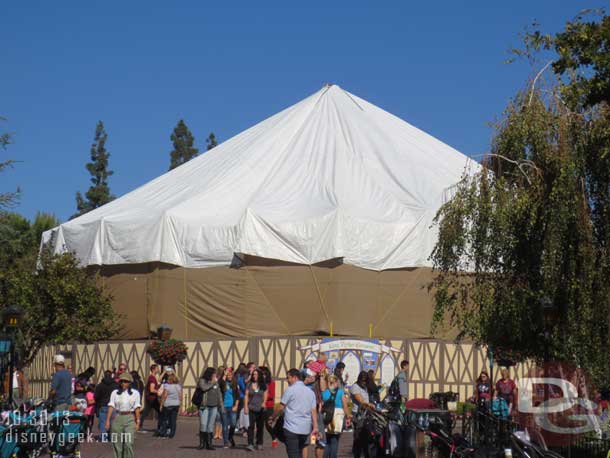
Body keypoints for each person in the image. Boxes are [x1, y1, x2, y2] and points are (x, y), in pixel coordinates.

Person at [269, 368, 318, 458]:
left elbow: (280, 407)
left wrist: (272, 417)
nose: (287, 380)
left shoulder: (290, 390)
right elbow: (313, 410)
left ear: (295, 378)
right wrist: (315, 427)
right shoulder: (310, 392)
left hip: (291, 428)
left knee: (293, 454)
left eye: (288, 378)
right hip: (305, 428)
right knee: (299, 452)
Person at [106, 371, 141, 458]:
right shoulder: (115, 393)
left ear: (129, 382)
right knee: (117, 444)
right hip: (118, 417)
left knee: (128, 443)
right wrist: (107, 421)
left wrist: (138, 421)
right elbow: (111, 406)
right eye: (121, 381)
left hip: (129, 418)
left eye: (125, 381)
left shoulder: (135, 393)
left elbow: (137, 408)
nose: (123, 383)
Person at [322, 375, 351, 458]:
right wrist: (348, 416)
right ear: (334, 382)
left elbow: (322, 405)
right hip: (337, 417)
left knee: (327, 440)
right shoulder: (340, 392)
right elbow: (345, 406)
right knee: (335, 440)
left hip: (327, 417)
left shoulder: (324, 393)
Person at [350, 371, 376, 458]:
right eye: (363, 381)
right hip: (358, 414)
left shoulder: (365, 387)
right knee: (358, 436)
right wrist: (369, 405)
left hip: (366, 414)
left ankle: (365, 454)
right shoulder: (355, 386)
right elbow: (360, 400)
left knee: (365, 436)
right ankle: (356, 454)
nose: (364, 382)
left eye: (366, 381)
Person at [197, 367, 224, 450]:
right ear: (210, 374)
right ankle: (202, 444)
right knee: (203, 425)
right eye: (214, 373)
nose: (215, 375)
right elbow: (204, 388)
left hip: (214, 406)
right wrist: (212, 383)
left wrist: (221, 406)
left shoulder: (216, 383)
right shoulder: (202, 380)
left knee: (210, 426)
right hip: (204, 406)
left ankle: (209, 444)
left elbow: (219, 394)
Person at [244, 368, 268, 451]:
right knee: (250, 426)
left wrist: (264, 403)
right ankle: (250, 444)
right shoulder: (249, 384)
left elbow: (265, 394)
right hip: (251, 408)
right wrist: (246, 407)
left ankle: (259, 443)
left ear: (259, 375)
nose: (254, 376)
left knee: (260, 427)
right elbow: (246, 395)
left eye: (256, 374)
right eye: (253, 374)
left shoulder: (263, 385)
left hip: (261, 409)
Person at [95, 369, 117, 442]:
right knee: (112, 423)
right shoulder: (115, 385)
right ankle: (111, 437)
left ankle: (104, 437)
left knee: (103, 422)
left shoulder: (100, 385)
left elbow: (96, 397)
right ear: (111, 375)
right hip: (112, 406)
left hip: (103, 405)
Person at [220, 368, 239, 448]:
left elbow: (237, 396)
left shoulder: (235, 384)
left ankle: (230, 437)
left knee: (233, 424)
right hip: (224, 406)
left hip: (232, 406)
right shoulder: (223, 383)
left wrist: (236, 406)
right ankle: (226, 442)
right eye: (228, 375)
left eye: (230, 375)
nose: (229, 376)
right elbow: (220, 383)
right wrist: (224, 374)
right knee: (224, 425)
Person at [159, 373, 182, 439]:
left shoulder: (167, 386)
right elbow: (180, 396)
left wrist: (161, 405)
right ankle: (172, 434)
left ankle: (164, 432)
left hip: (168, 405)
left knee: (165, 419)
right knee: (173, 420)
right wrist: (180, 404)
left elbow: (164, 396)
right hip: (176, 405)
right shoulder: (178, 386)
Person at [260, 366, 279, 448]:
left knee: (268, 424)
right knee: (259, 425)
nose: (263, 376)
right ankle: (259, 442)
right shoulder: (259, 382)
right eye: (261, 374)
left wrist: (263, 396)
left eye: (264, 374)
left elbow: (272, 395)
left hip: (269, 405)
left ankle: (274, 437)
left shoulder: (271, 382)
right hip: (259, 405)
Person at [142, 364, 160, 432]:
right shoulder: (152, 378)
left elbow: (158, 380)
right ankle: (161, 426)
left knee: (146, 412)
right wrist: (158, 392)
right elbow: (152, 389)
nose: (158, 369)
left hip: (152, 398)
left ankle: (139, 424)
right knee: (160, 412)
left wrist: (164, 372)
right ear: (153, 369)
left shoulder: (153, 377)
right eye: (157, 368)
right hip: (152, 399)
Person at [214, 366, 226, 441]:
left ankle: (219, 433)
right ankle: (216, 433)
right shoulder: (216, 378)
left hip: (223, 399)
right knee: (217, 417)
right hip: (217, 399)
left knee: (221, 417)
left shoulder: (224, 379)